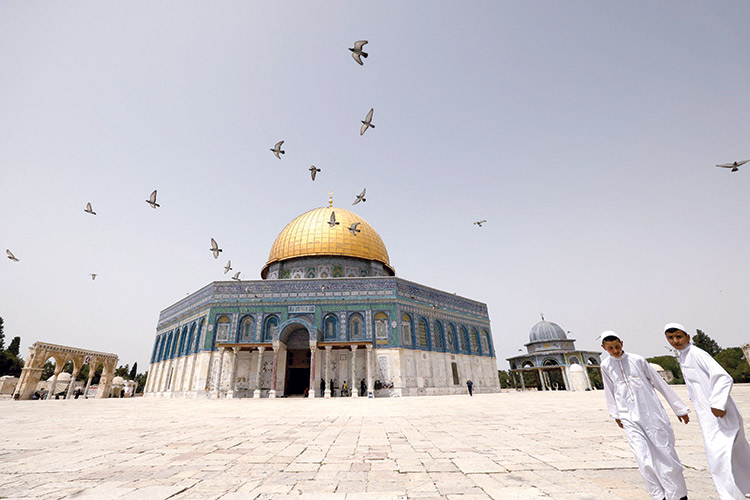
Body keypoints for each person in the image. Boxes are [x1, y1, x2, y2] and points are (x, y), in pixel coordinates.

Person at [601, 331, 690, 500]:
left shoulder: (637, 360)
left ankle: (678, 495)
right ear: (604, 348)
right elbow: (609, 390)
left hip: (652, 414)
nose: (615, 351)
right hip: (628, 417)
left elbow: (659, 383)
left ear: (622, 342)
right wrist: (616, 415)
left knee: (665, 453)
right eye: (610, 348)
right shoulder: (606, 366)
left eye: (617, 346)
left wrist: (679, 408)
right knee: (643, 457)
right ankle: (658, 496)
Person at [664, 323, 750, 500]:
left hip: (720, 415)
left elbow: (723, 377)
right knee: (736, 454)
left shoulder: (697, 354)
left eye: (678, 337)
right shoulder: (684, 356)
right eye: (671, 338)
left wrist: (717, 403)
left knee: (718, 459)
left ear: (688, 336)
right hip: (709, 417)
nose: (675, 341)